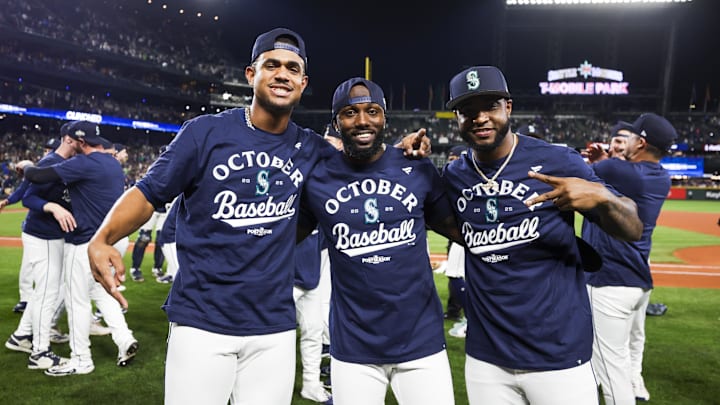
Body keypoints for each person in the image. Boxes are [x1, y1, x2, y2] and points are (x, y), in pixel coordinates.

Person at [86, 28, 430, 404]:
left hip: (274, 329)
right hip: (203, 321)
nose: (282, 74)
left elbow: (364, 164)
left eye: (292, 68)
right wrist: (103, 239)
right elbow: (148, 192)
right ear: (252, 75)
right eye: (272, 65)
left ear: (303, 82)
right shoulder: (205, 132)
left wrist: (399, 151)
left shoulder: (312, 149)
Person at [440, 66, 643, 405]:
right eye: (467, 111)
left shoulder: (557, 160)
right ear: (456, 118)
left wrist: (604, 198)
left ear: (508, 107)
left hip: (558, 355)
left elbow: (632, 229)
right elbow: (439, 218)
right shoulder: (455, 175)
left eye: (489, 106)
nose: (479, 118)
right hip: (485, 358)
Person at [298, 77, 461, 405]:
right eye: (349, 113)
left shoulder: (416, 167)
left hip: (421, 344)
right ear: (335, 123)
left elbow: (464, 234)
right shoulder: (318, 178)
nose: (362, 121)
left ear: (385, 118)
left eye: (372, 111)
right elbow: (279, 240)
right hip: (354, 348)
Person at [17, 121, 139, 376]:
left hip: (83, 243)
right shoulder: (114, 165)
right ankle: (123, 338)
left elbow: (37, 176)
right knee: (100, 294)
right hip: (105, 243)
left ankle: (81, 360)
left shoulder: (84, 163)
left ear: (80, 143)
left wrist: (26, 165)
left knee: (77, 303)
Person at [583, 113, 677, 405]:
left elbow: (583, 168)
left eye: (633, 136)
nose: (628, 140)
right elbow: (611, 171)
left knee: (612, 375)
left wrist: (602, 160)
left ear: (641, 143)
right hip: (635, 283)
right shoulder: (659, 175)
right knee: (621, 359)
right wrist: (606, 161)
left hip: (611, 281)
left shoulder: (623, 171)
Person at [4, 129, 77, 369]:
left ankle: (21, 336)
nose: (85, 145)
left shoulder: (66, 163)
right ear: (68, 139)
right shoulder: (50, 162)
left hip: (51, 235)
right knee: (48, 293)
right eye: (81, 140)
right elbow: (29, 198)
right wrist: (52, 207)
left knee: (43, 291)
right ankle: (40, 352)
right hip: (42, 234)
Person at [294, 229, 333, 404]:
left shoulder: (314, 205)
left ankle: (311, 384)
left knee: (314, 331)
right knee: (272, 340)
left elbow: (324, 244)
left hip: (310, 277)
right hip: (282, 278)